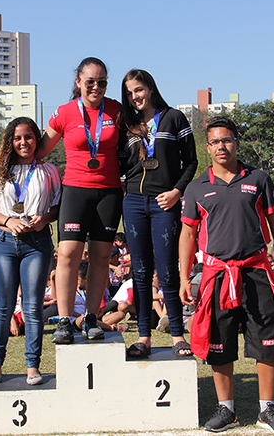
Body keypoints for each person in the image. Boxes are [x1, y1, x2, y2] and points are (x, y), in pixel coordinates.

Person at [179, 116, 274, 436]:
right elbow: (188, 235)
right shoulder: (196, 188)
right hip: (217, 274)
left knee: (268, 342)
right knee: (218, 342)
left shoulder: (259, 179)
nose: (222, 146)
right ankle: (226, 409)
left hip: (257, 271)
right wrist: (182, 278)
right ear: (208, 147)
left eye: (227, 140)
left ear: (236, 142)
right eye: (215, 141)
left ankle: (267, 409)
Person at [36, 57, 123, 343]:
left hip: (108, 193)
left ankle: (91, 317)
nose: (96, 87)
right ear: (78, 82)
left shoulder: (116, 110)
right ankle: (63, 319)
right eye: (90, 82)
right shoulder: (64, 113)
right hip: (75, 190)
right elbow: (39, 152)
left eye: (102, 82)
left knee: (99, 257)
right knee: (69, 255)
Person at [120, 68, 198, 358]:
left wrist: (177, 191)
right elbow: (119, 162)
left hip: (165, 201)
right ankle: (144, 337)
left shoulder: (174, 118)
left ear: (150, 88)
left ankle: (178, 335)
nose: (135, 97)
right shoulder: (127, 125)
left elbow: (191, 161)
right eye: (129, 93)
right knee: (139, 272)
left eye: (138, 90)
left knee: (167, 271)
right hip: (135, 203)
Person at [0, 117, 61, 385]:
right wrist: (7, 220)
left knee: (33, 307)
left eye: (28, 137)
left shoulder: (48, 170)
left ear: (37, 139)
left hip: (36, 244)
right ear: (10, 142)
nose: (23, 143)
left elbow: (59, 206)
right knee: (3, 307)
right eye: (17, 138)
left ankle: (32, 366)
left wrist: (45, 219)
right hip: (4, 242)